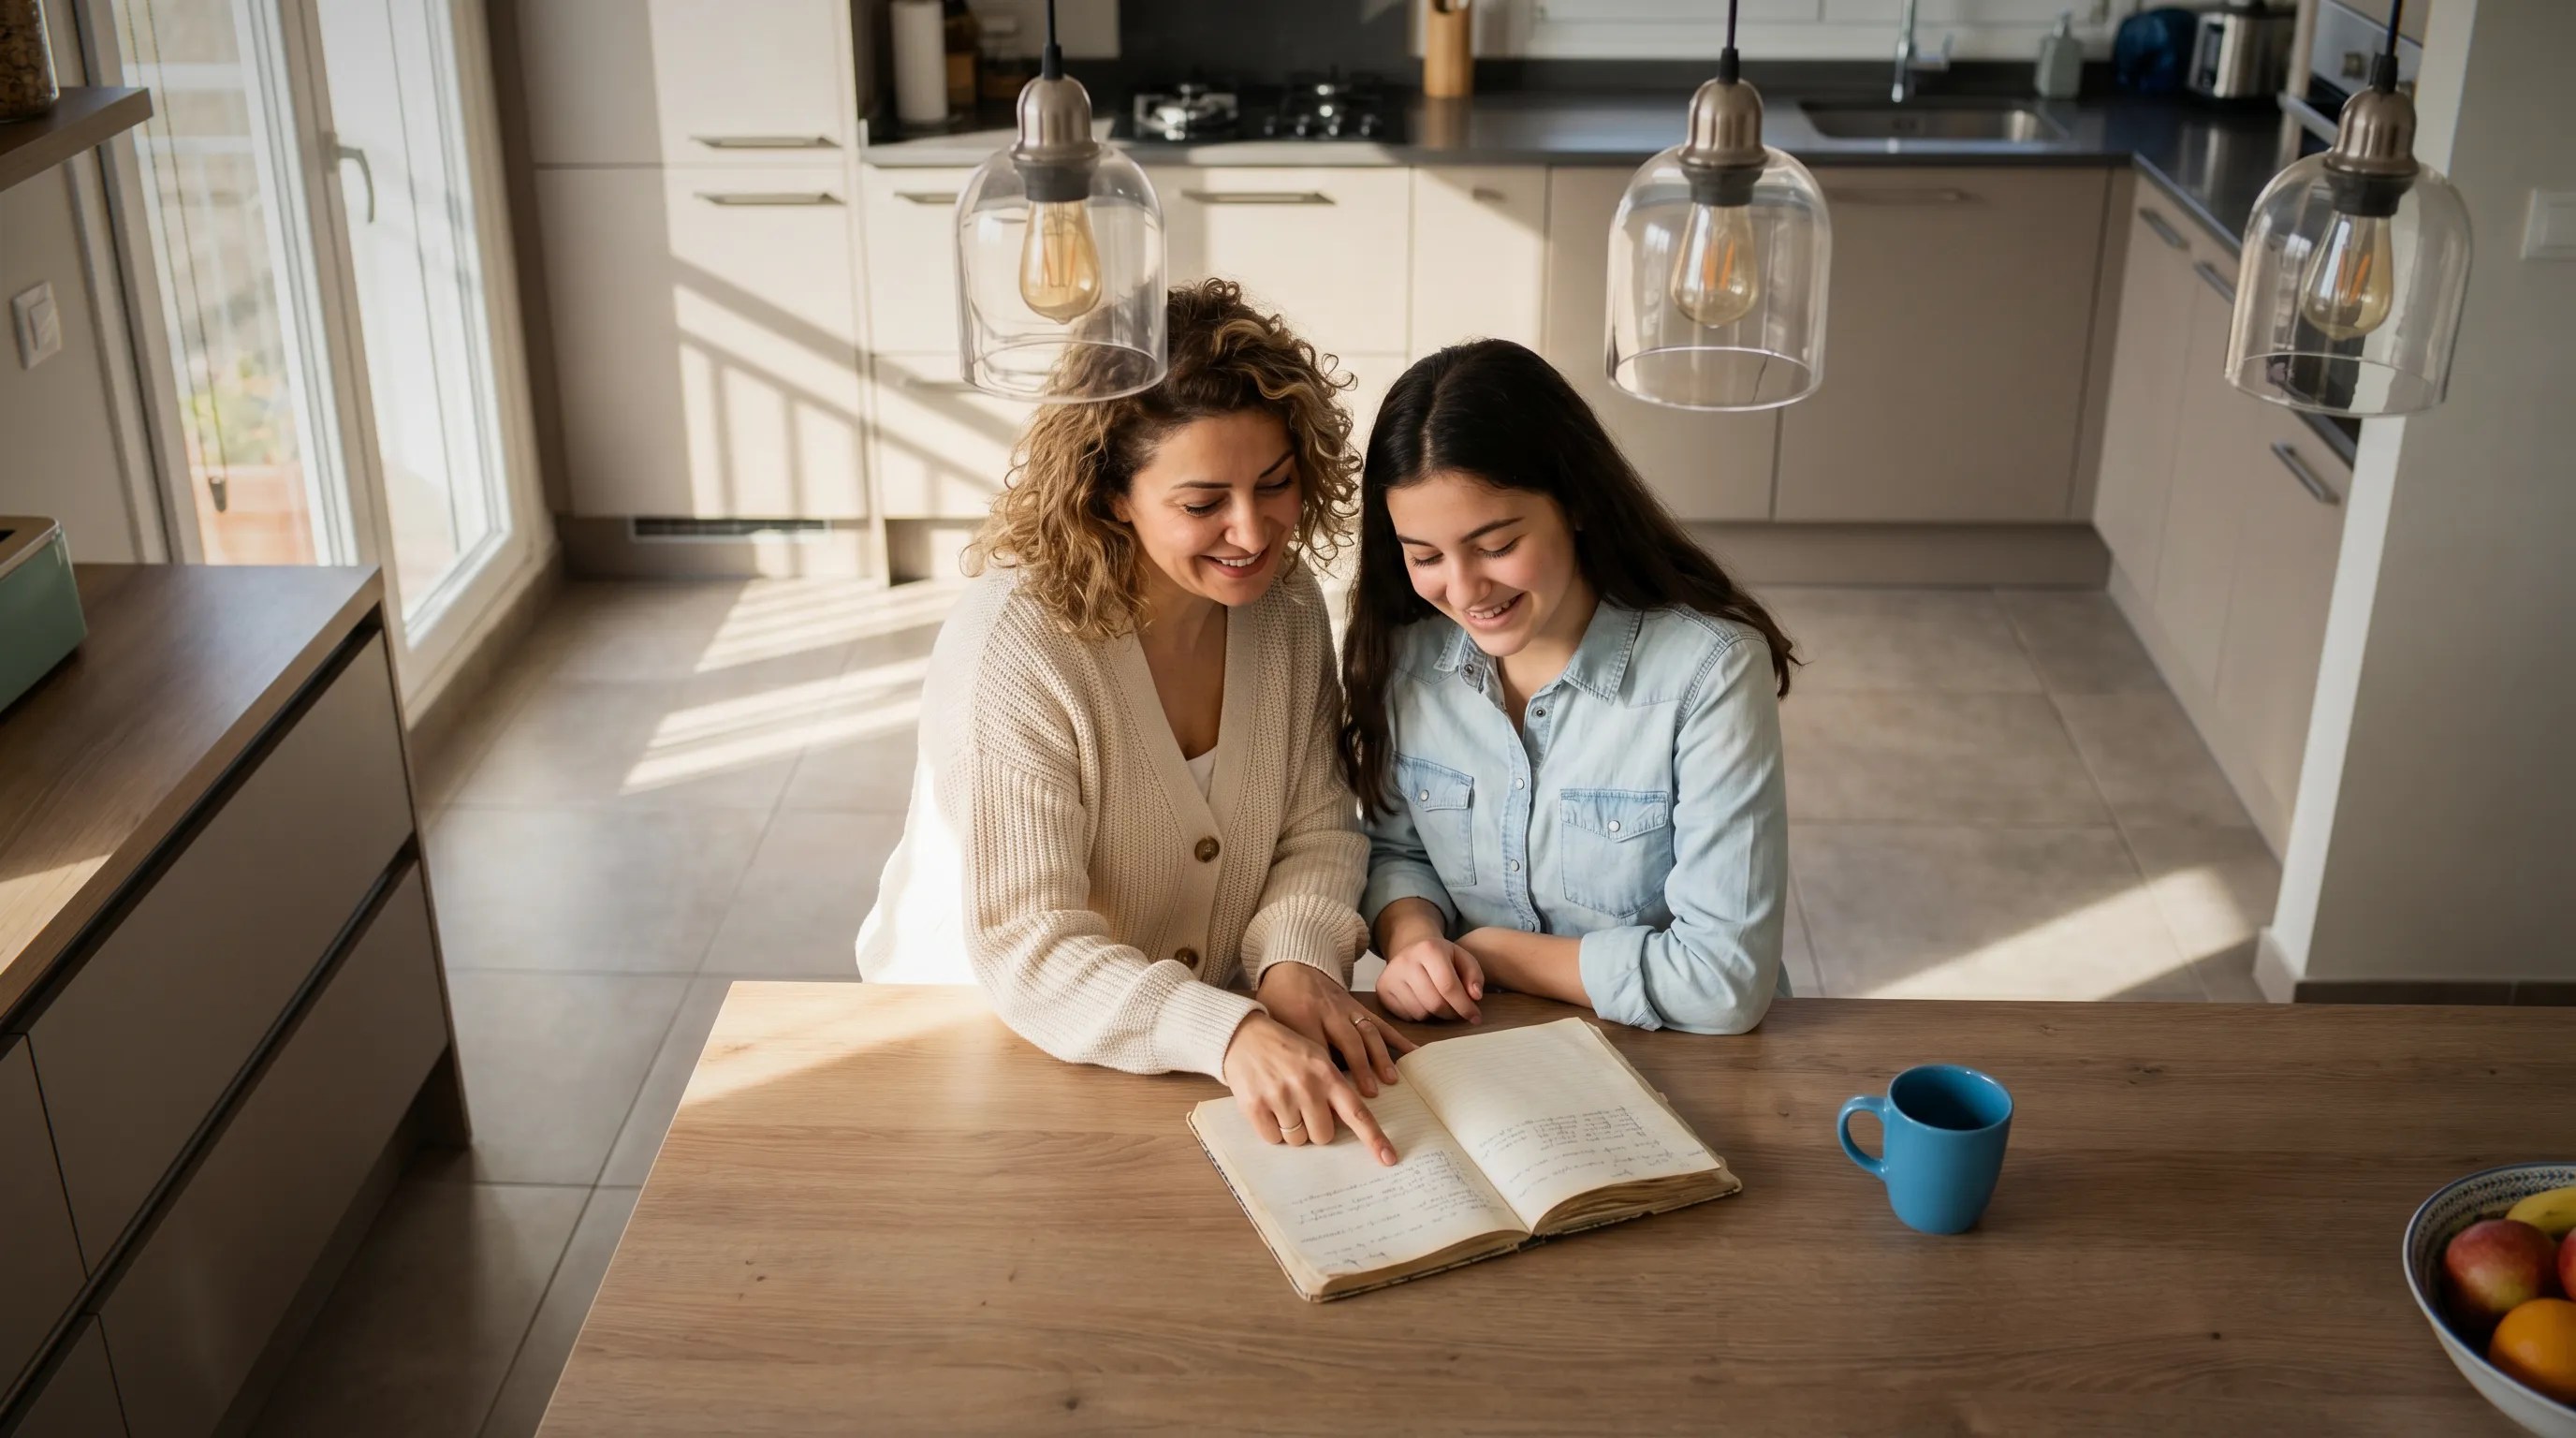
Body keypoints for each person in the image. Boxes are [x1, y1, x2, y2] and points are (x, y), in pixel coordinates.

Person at [856, 279, 1409, 1164]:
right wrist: (1227, 1035)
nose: (1253, 530)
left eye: (1275, 484)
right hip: (996, 1024)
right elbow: (1029, 946)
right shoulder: (1016, 649)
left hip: (1207, 1031)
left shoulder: (1287, 604)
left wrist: (1295, 961)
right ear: (1114, 494)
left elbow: (1317, 826)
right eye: (1202, 504)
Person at [1339, 339, 1798, 1034]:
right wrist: (1413, 939)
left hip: (1678, 1052)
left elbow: (1723, 982)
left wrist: (1497, 955)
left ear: (1576, 502)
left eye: (1496, 546)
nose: (1464, 591)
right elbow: (1398, 852)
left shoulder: (1710, 671)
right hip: (1482, 1050)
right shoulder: (1406, 660)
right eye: (1425, 556)